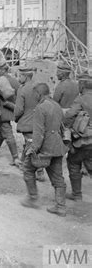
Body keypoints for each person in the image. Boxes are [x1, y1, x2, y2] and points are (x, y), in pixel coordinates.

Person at [20, 83, 68, 216]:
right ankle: (61, 206)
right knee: (58, 177)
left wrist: (32, 149)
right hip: (57, 146)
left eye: (35, 94)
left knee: (28, 169)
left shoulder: (40, 108)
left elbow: (39, 133)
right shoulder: (56, 106)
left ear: (38, 94)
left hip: (45, 148)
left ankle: (32, 198)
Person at [63, 72, 92, 201]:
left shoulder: (81, 99)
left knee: (73, 162)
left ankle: (77, 194)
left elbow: (69, 115)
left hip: (85, 140)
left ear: (82, 86)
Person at [14, 67, 44, 180]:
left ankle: (40, 170)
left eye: (20, 76)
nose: (18, 78)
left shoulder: (22, 89)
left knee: (32, 145)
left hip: (27, 122)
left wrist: (16, 118)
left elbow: (19, 109)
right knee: (30, 143)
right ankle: (23, 162)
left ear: (25, 76)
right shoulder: (39, 87)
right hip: (39, 121)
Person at [0, 60, 21, 166]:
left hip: (3, 111)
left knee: (7, 132)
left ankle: (15, 157)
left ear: (3, 70)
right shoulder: (14, 81)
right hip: (12, 109)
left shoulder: (0, 80)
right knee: (1, 131)